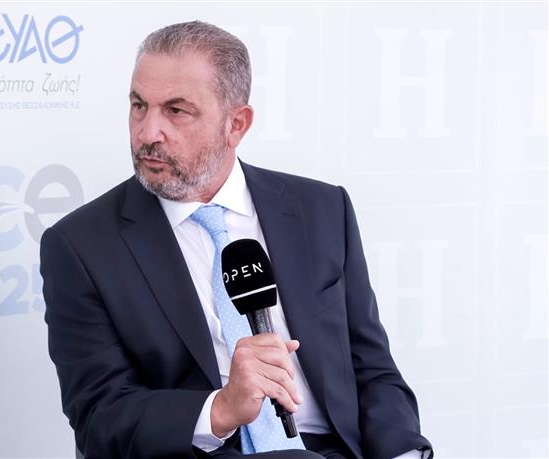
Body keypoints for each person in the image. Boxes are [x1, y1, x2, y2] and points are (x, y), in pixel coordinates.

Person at [40, 21, 433, 459]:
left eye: (176, 110)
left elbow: (372, 368)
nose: (148, 133)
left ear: (236, 124)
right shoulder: (80, 246)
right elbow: (98, 416)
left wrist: (403, 452)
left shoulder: (322, 210)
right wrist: (222, 408)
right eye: (138, 106)